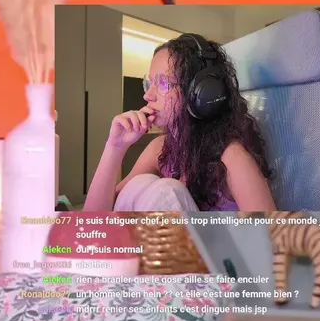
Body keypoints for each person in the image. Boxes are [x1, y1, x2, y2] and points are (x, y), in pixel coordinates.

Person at [83, 32, 275, 213]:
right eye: (149, 83)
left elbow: (273, 235)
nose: (147, 95)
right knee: (139, 184)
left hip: (217, 239)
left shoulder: (231, 156)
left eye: (163, 83)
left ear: (200, 93)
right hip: (157, 237)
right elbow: (95, 219)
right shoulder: (161, 148)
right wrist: (115, 146)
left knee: (168, 191)